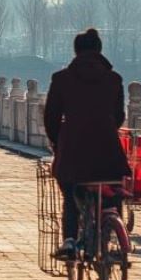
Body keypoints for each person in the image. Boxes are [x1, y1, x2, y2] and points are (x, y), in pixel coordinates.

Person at [43, 28, 129, 259]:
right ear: (99, 50)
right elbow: (119, 116)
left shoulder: (61, 79)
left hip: (74, 151)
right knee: (110, 190)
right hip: (108, 153)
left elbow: (51, 117)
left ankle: (70, 240)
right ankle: (110, 227)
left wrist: (56, 141)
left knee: (71, 192)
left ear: (76, 51)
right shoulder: (114, 79)